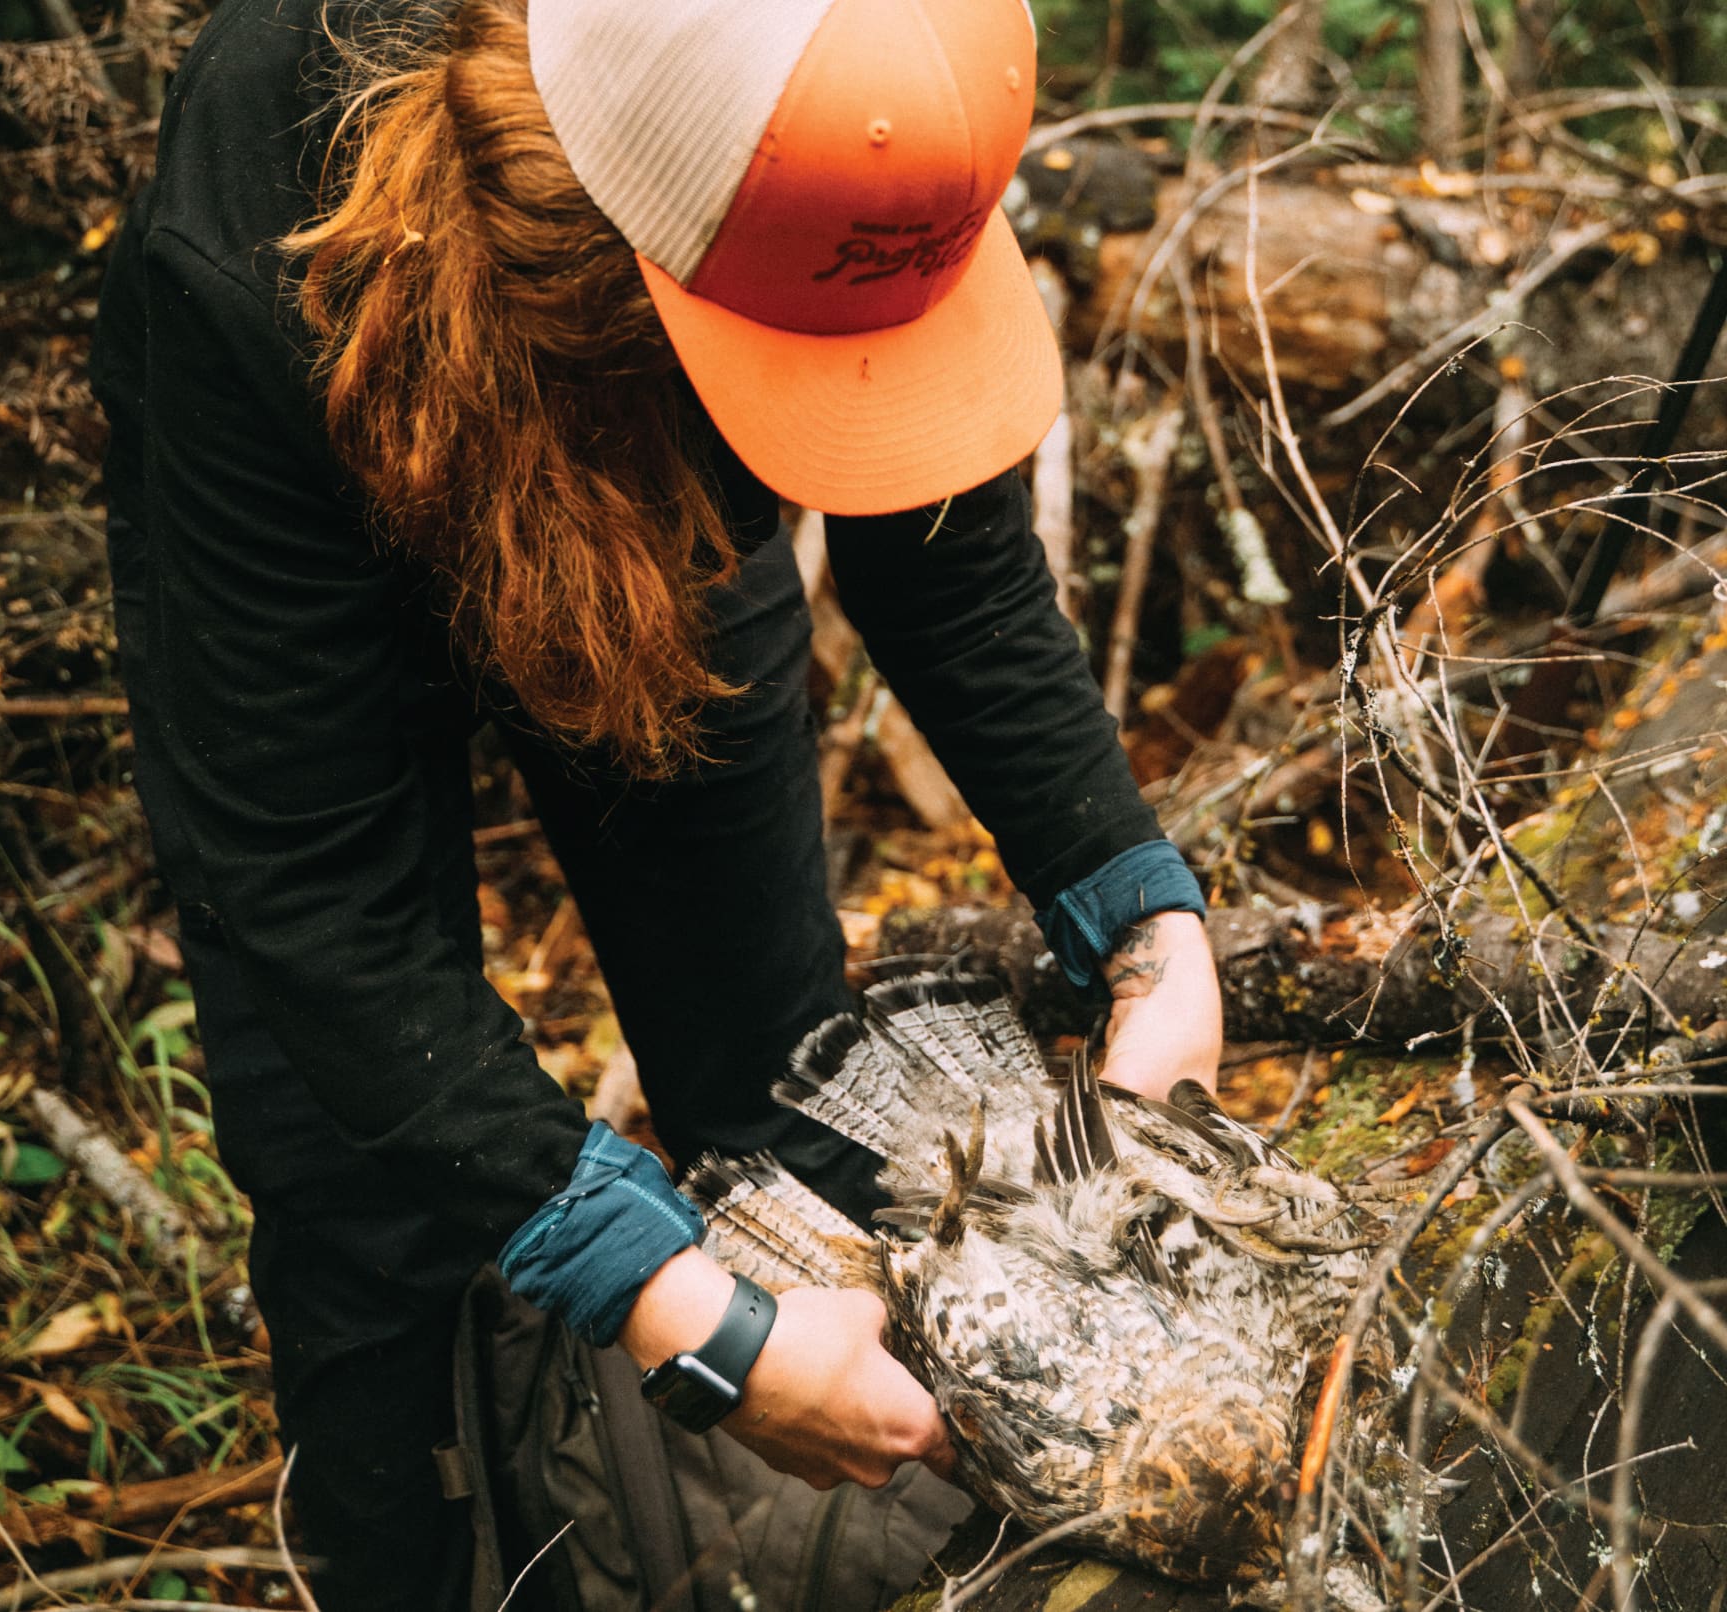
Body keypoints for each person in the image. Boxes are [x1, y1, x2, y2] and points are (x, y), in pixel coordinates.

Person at [89, 0, 1226, 1605]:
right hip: (329, 410)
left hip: (651, 482)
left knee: (785, 1092)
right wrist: (680, 1319)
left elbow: (941, 543)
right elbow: (311, 895)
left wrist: (1140, 907)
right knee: (365, 1204)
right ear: (623, 260)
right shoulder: (252, 245)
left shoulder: (864, 97)